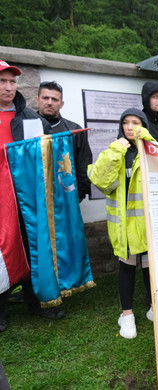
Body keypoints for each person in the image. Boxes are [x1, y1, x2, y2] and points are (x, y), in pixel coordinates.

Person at [0, 60, 62, 333]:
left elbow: (41, 157)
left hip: (26, 193)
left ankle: (34, 300)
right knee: (3, 247)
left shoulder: (30, 118)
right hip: (1, 197)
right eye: (2, 81)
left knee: (31, 244)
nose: (8, 87)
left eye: (12, 82)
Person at [88, 108, 155, 339]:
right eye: (125, 122)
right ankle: (127, 315)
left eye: (136, 122)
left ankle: (152, 306)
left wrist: (150, 142)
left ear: (144, 125)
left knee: (149, 268)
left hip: (148, 224)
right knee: (127, 268)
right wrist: (115, 151)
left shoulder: (151, 150)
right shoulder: (115, 150)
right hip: (125, 226)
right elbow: (100, 181)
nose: (130, 127)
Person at [35, 80, 92, 201]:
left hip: (66, 196)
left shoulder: (74, 130)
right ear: (37, 100)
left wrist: (80, 194)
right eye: (45, 98)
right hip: (34, 197)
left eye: (55, 99)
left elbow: (84, 163)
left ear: (62, 103)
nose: (49, 103)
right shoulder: (25, 126)